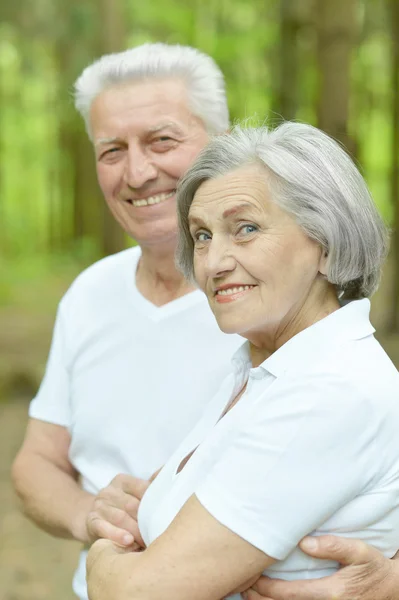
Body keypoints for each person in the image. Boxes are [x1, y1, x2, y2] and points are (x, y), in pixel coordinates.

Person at [11, 43, 399, 600]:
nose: (139, 171)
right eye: (112, 150)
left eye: (162, 140)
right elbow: (37, 459)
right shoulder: (242, 346)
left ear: (219, 142)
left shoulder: (282, 325)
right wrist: (97, 519)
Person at [86, 122, 399, 600]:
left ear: (326, 245)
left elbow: (140, 593)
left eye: (245, 228)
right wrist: (133, 515)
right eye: (203, 236)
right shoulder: (261, 371)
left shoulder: (327, 388)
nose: (213, 263)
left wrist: (102, 556)